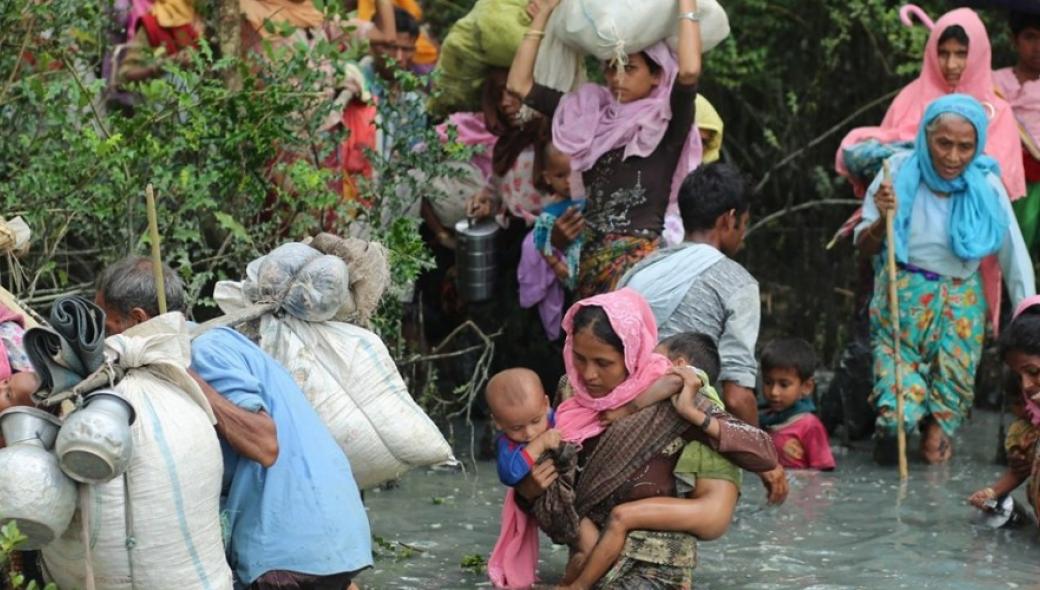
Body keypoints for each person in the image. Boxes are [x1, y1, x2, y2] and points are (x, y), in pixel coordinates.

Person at [95, 256, 373, 590]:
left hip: (286, 549)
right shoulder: (224, 341)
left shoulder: (202, 351)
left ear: (138, 319)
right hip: (335, 540)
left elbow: (264, 444)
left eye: (111, 328)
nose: (108, 341)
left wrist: (184, 377)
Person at [489, 289, 777, 589]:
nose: (588, 374)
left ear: (631, 354)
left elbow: (765, 454)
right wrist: (529, 492)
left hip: (656, 570)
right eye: (579, 358)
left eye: (603, 363)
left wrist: (696, 416)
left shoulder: (673, 396)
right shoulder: (571, 397)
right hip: (586, 560)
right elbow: (558, 497)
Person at [855, 95, 1035, 464]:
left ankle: (933, 497)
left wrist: (1029, 318)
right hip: (900, 303)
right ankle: (890, 449)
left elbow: (1013, 255)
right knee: (896, 417)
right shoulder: (896, 172)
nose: (953, 157)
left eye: (965, 146)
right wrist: (881, 219)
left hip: (961, 308)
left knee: (939, 434)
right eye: (944, 143)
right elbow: (864, 245)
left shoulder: (987, 186)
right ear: (926, 136)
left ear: (978, 145)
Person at [835, 7, 1026, 331]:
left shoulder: (997, 111)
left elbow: (1000, 187)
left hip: (969, 261)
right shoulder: (910, 97)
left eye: (962, 54)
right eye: (943, 53)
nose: (951, 65)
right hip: (902, 254)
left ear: (979, 53)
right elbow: (885, 168)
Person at [507, 0, 703, 297]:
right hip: (588, 270)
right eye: (610, 69)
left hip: (640, 276)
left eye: (629, 68)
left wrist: (686, 5)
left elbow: (688, 73)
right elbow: (518, 86)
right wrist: (542, 18)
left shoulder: (667, 124)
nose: (616, 79)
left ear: (657, 75)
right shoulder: (589, 115)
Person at [619, 162, 789, 503]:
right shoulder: (737, 282)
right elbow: (738, 395)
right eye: (744, 223)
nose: (743, 232)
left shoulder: (640, 269)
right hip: (680, 432)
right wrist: (765, 459)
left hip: (620, 421)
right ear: (729, 219)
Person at [558, 333, 743, 590]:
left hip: (677, 541)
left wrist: (629, 516)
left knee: (622, 517)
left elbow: (715, 517)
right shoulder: (586, 396)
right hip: (610, 551)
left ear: (677, 365)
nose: (642, 367)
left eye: (652, 359)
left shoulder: (696, 407)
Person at [970, 294, 1040, 521]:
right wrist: (992, 493)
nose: (1027, 386)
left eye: (1033, 372)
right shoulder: (1029, 427)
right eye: (1019, 377)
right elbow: (1021, 469)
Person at [518, 143, 583, 340]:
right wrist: (555, 264)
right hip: (566, 263)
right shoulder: (552, 210)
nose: (568, 182)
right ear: (547, 178)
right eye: (560, 176)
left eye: (573, 174)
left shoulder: (586, 198)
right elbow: (540, 240)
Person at [994, 10, 1040, 254]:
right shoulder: (993, 82)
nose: (1038, 47)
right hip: (999, 181)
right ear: (1014, 40)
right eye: (1030, 37)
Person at [759, 337, 836, 471]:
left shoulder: (810, 426)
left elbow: (823, 473)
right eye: (768, 382)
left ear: (806, 386)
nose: (774, 392)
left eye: (784, 385)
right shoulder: (765, 420)